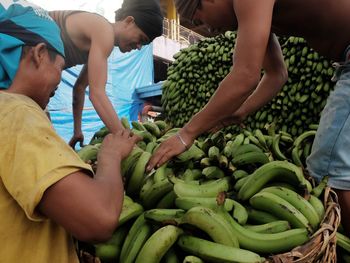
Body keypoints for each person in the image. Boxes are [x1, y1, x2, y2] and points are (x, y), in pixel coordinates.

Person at [147, 0, 350, 234]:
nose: (208, 29)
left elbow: (245, 75)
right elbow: (276, 75)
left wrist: (186, 135)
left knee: (328, 170)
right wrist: (241, 112)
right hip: (344, 62)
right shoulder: (259, 15)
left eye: (199, 19)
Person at [0, 41, 140, 262]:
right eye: (61, 67)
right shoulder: (17, 112)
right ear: (40, 53)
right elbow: (98, 219)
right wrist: (110, 155)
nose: (60, 79)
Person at [48, 0, 163, 148]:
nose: (139, 47)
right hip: (21, 50)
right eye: (141, 39)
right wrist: (126, 141)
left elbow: (80, 88)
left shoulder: (99, 39)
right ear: (129, 21)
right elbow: (97, 94)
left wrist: (77, 131)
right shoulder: (104, 31)